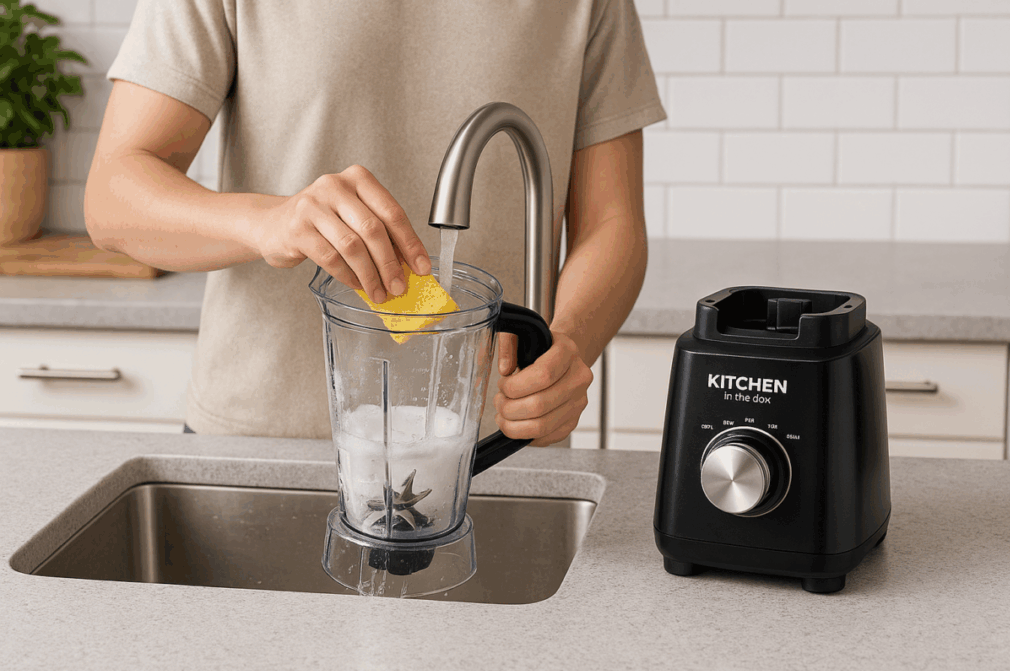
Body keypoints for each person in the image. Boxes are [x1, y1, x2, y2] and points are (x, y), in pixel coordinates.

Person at [84, 0, 667, 447]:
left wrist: (568, 348)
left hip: (492, 447)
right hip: (261, 440)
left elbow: (612, 223)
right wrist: (271, 221)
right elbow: (114, 198)